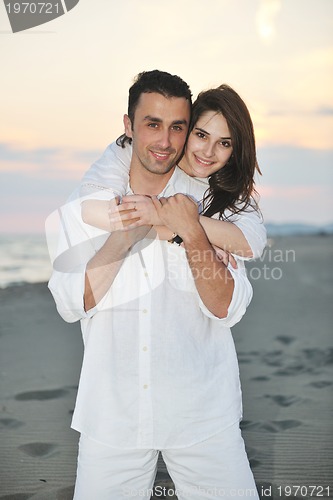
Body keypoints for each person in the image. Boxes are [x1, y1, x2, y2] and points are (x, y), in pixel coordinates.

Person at [48, 70, 259, 499]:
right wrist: (130, 231)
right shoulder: (92, 201)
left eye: (178, 127)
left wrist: (192, 234)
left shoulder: (211, 204)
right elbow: (71, 302)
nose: (165, 141)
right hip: (112, 416)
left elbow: (228, 308)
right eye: (152, 124)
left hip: (203, 416)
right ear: (128, 127)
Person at [78, 84, 266, 262]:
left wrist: (166, 218)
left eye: (224, 143)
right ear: (186, 130)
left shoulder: (226, 185)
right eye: (201, 135)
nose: (208, 152)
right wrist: (190, 239)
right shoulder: (133, 151)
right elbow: (93, 212)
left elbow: (253, 245)